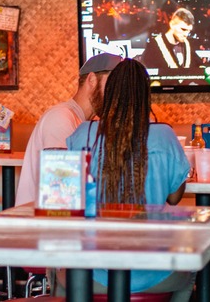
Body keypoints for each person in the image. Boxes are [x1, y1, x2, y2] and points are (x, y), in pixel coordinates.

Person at [64, 59, 193, 301]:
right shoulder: (164, 135)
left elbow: (69, 199)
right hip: (156, 271)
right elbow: (174, 198)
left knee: (61, 274)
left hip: (93, 272)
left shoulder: (82, 134)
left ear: (108, 93)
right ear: (146, 95)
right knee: (193, 270)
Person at [15, 53, 122, 206]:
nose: (117, 93)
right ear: (91, 79)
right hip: (37, 222)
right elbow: (60, 189)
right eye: (113, 84)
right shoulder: (60, 117)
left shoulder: (87, 124)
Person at [138, 8, 203, 79]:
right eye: (183, 29)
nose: (186, 34)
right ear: (172, 24)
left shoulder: (187, 45)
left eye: (189, 31)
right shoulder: (154, 46)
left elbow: (199, 66)